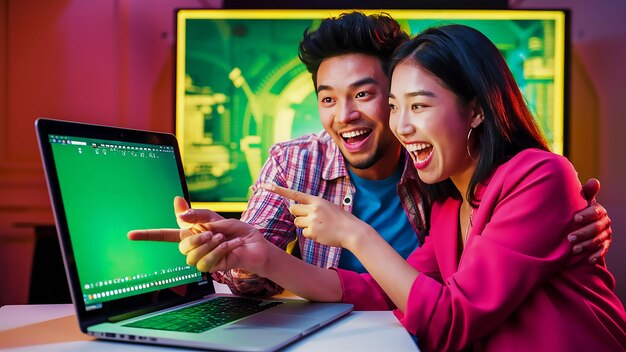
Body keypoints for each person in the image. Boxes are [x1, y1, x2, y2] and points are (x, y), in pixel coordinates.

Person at [133, 24, 626, 350]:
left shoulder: (520, 176)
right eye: (397, 107)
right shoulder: (448, 204)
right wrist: (260, 257)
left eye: (415, 104)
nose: (403, 125)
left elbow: (449, 320)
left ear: (476, 109)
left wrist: (353, 234)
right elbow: (387, 293)